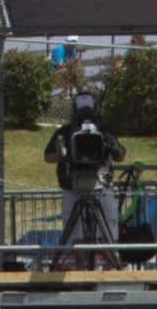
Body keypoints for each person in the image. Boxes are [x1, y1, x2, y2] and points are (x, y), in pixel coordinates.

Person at [44, 91, 127, 264]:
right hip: (73, 186)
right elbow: (48, 156)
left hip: (100, 185)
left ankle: (111, 270)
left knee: (109, 230)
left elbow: (120, 155)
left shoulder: (104, 130)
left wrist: (112, 145)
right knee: (77, 232)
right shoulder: (66, 131)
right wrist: (62, 153)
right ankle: (82, 270)